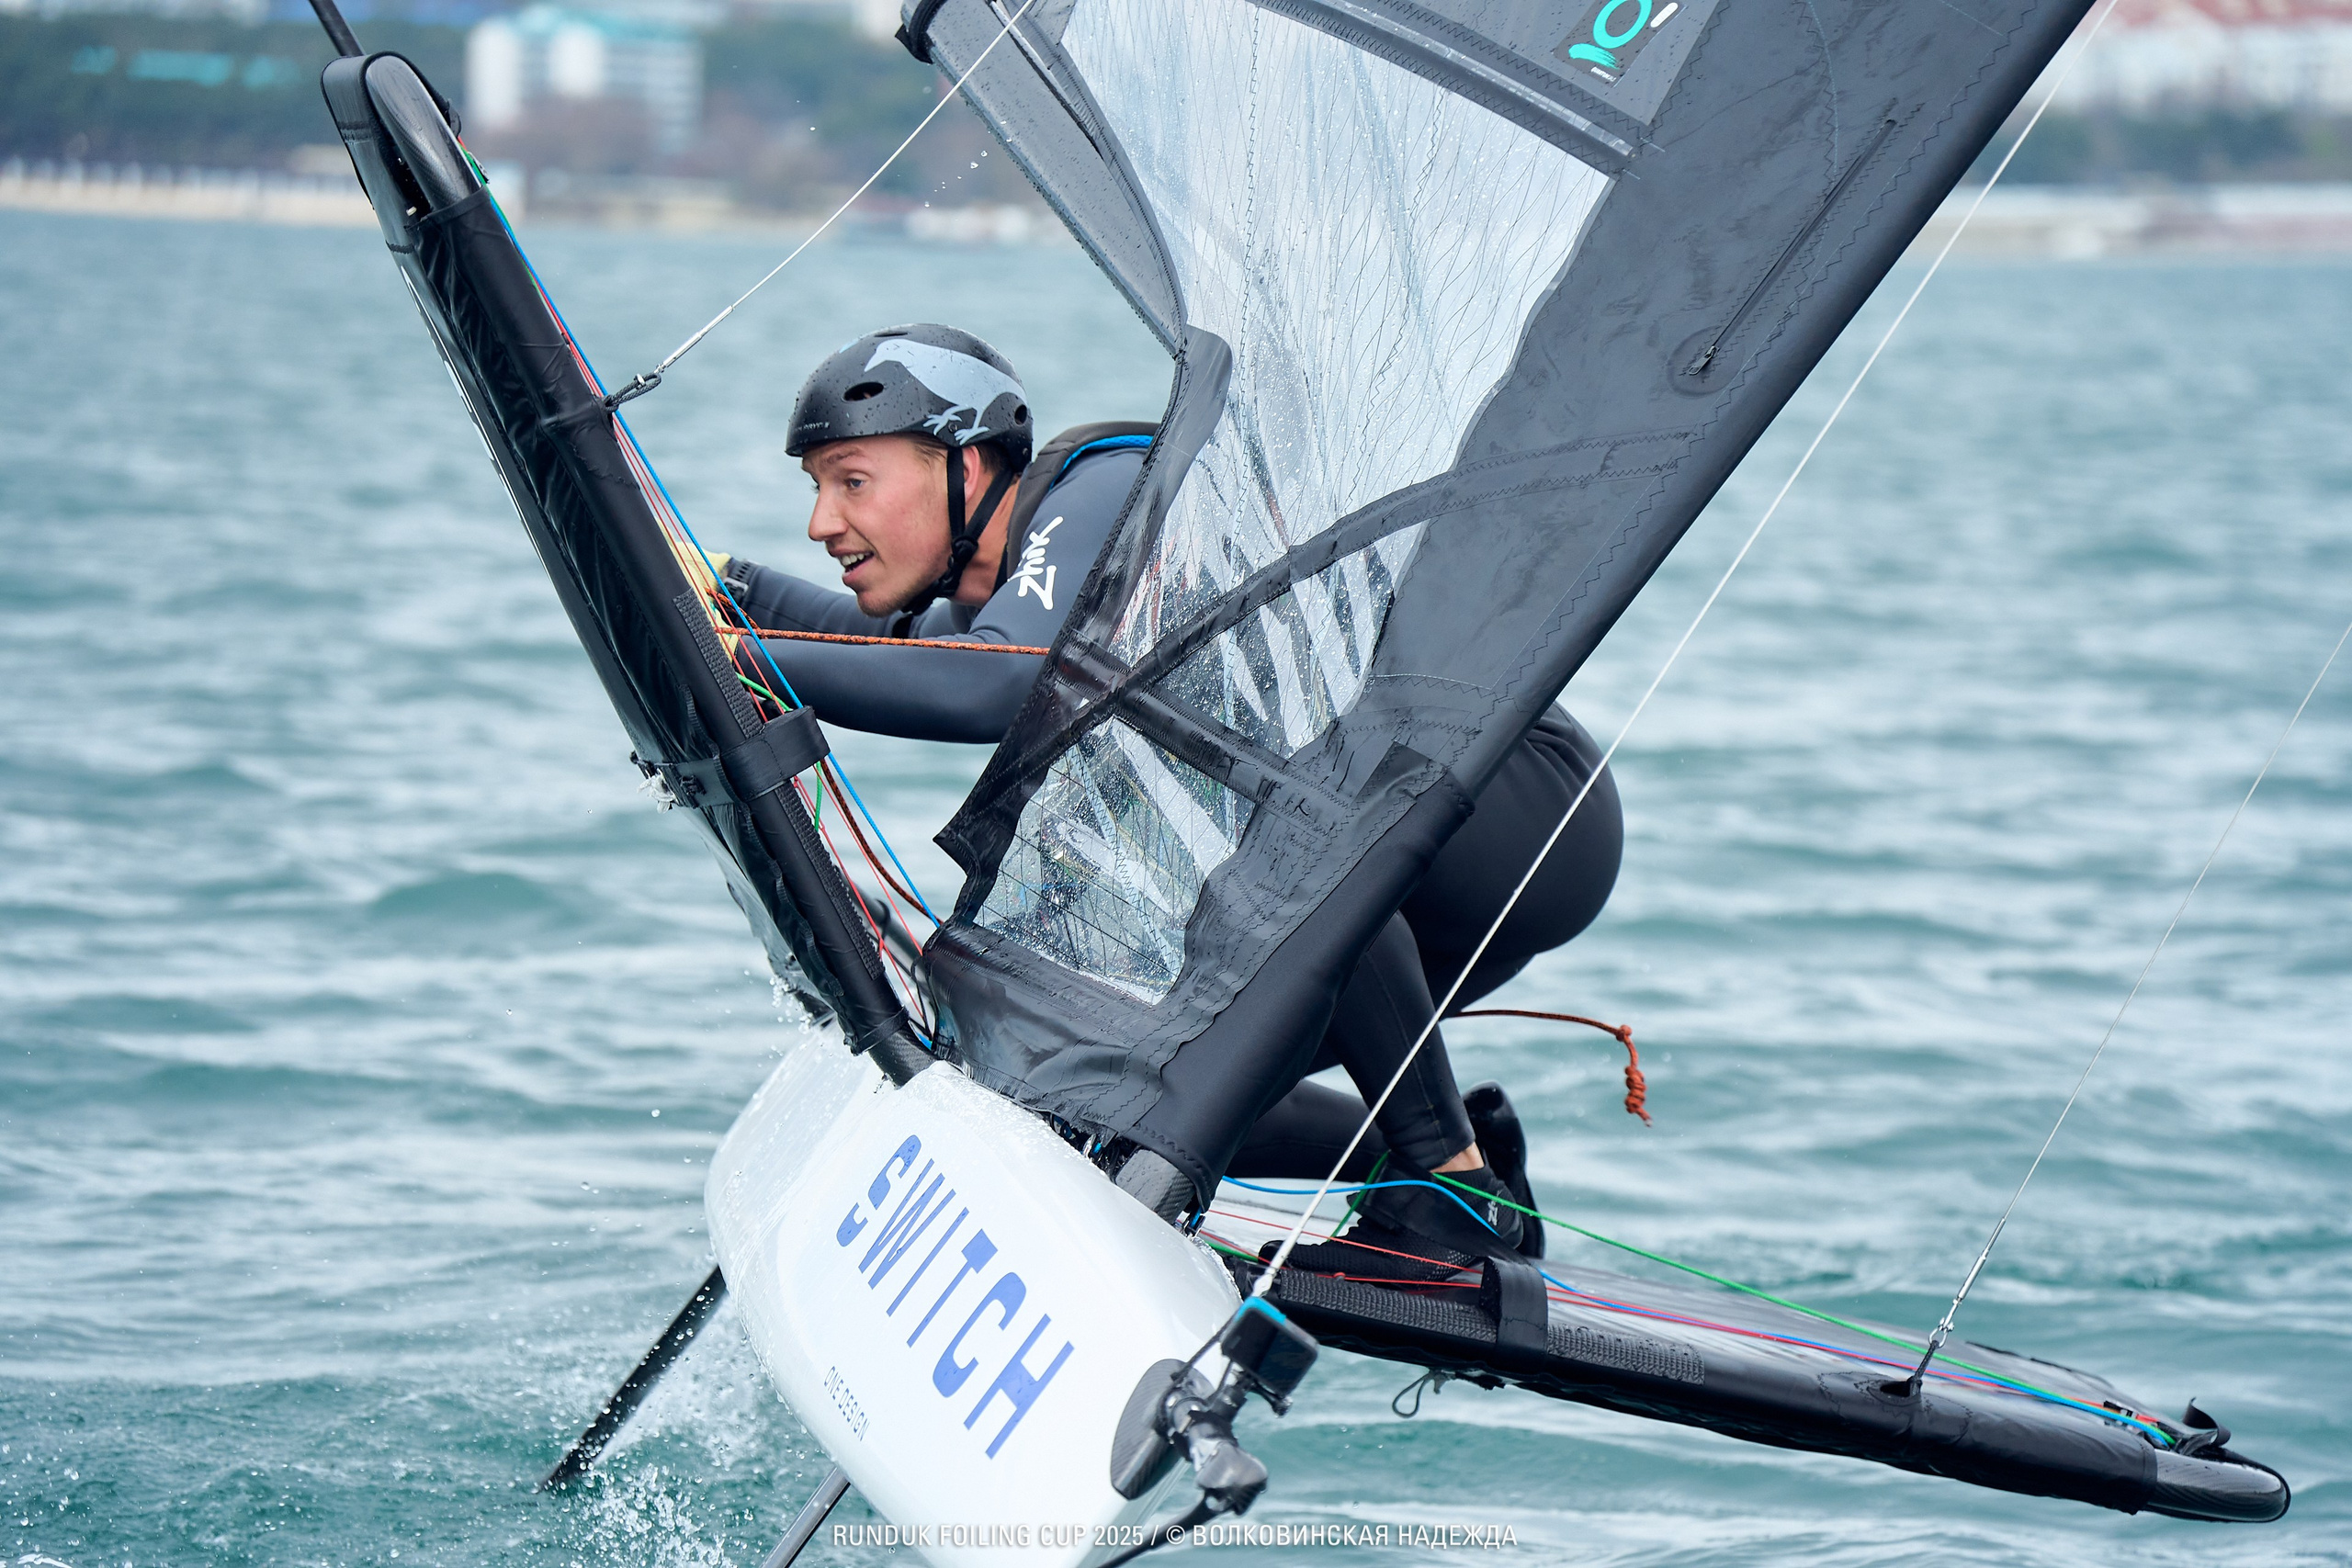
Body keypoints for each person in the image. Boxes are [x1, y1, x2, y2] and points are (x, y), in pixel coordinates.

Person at [718, 324, 1622, 1285]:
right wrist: (717, 584)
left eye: (851, 481)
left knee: (1285, 855)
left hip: (1517, 804)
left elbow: (987, 684)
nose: (822, 522)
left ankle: (1452, 1195)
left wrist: (734, 655)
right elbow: (904, 650)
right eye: (816, 490)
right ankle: (1436, 1159)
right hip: (1383, 869)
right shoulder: (1022, 588)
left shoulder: (1105, 488)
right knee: (1135, 1086)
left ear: (970, 464)